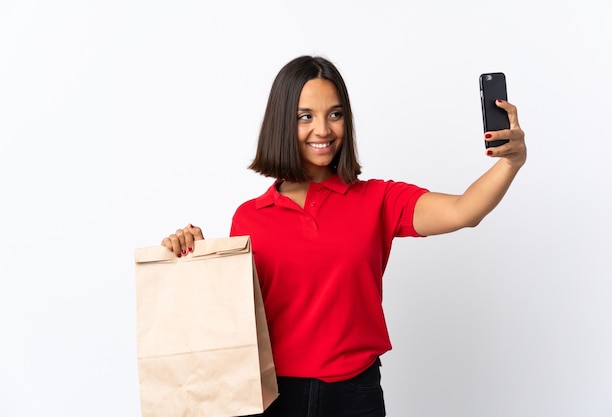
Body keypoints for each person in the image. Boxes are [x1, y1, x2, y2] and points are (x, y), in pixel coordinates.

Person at [161, 55, 526, 417]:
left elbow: (465, 210)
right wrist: (198, 255)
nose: (323, 130)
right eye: (306, 116)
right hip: (270, 395)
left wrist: (509, 163)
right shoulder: (249, 218)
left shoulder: (379, 199)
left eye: (334, 114)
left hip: (355, 395)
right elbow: (231, 318)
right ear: (281, 123)